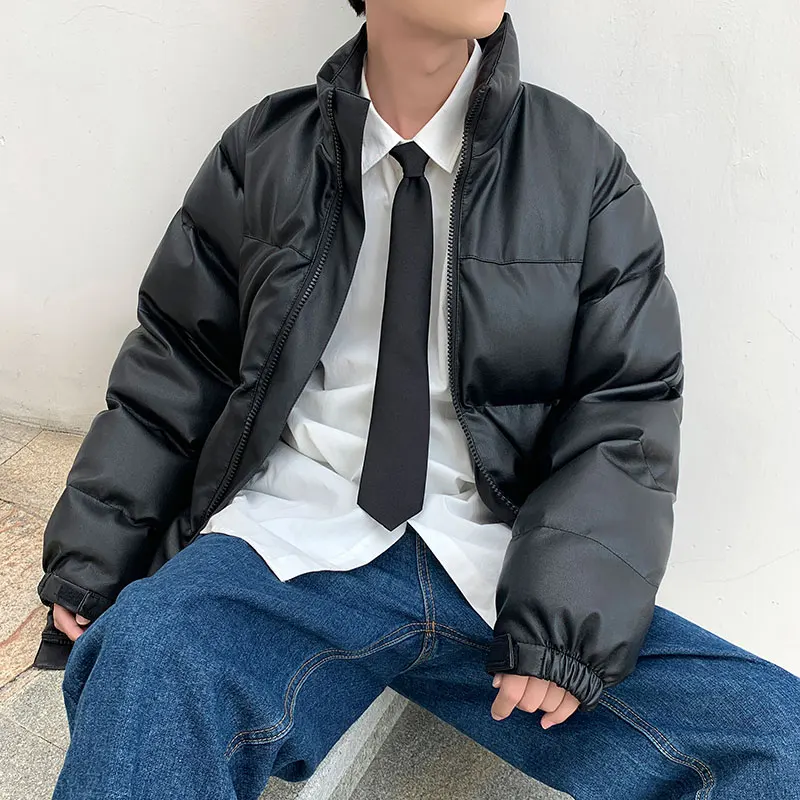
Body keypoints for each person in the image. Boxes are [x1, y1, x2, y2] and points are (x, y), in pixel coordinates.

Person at [36, 2, 799, 798]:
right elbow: (179, 360)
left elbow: (626, 405)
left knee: (779, 738)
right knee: (147, 657)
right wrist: (96, 557)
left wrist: (564, 614)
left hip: (498, 565)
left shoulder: (581, 166)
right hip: (290, 543)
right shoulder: (263, 150)